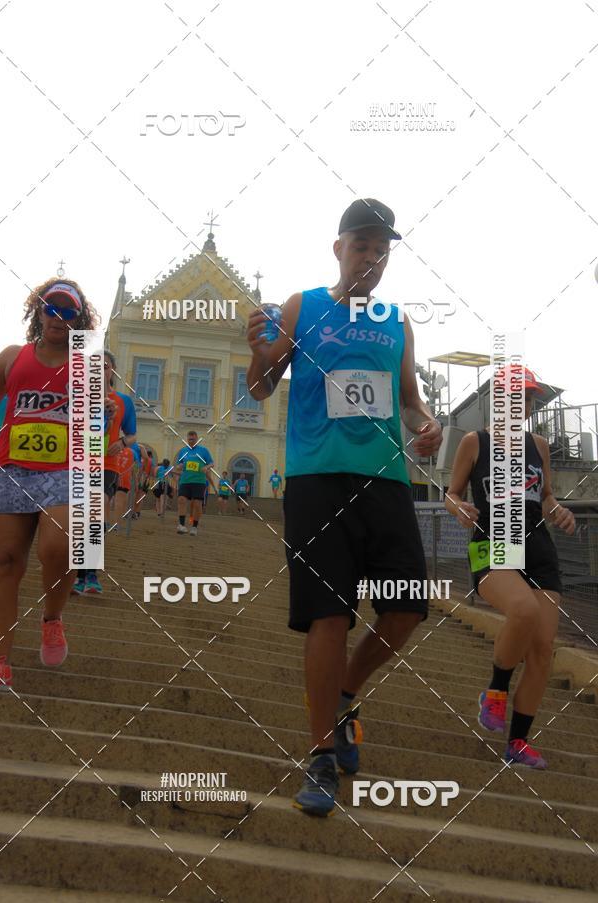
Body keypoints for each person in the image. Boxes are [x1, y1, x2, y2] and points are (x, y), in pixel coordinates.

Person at [246, 198, 442, 815]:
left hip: (385, 480)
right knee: (329, 616)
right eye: (362, 245)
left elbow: (409, 400)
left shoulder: (398, 321)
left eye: (382, 248)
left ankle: (346, 691)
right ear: (338, 248)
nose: (372, 257)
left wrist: (426, 422)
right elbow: (259, 387)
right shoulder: (303, 306)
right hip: (316, 479)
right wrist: (257, 350)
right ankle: (322, 755)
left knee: (407, 607)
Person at [445, 366, 575, 770]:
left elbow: (547, 496)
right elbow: (452, 493)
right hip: (494, 542)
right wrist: (459, 507)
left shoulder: (538, 444)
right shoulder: (474, 442)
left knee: (541, 650)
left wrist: (559, 512)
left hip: (538, 546)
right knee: (523, 610)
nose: (523, 404)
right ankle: (496, 690)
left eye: (529, 398)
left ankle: (517, 742)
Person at [0, 278, 99, 690]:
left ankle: (52, 618)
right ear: (38, 310)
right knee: (5, 562)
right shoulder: (11, 356)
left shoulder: (87, 360)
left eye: (67, 311)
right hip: (12, 468)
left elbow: (94, 422)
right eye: (51, 308)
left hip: (64, 469)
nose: (58, 317)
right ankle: (1, 657)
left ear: (78, 318)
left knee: (60, 550)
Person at [73, 350, 136, 594]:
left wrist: (121, 443)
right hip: (78, 463)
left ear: (113, 370)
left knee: (97, 513)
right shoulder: (78, 398)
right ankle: (80, 575)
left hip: (107, 464)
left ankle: (91, 574)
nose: (101, 370)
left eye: (106, 366)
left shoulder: (123, 401)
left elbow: (132, 434)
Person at [174, 431, 217, 535]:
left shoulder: (203, 450)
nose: (191, 441)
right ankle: (182, 525)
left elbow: (211, 463)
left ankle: (194, 527)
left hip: (199, 481)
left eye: (193, 439)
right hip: (185, 480)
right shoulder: (183, 451)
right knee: (181, 499)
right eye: (189, 439)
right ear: (187, 439)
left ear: (197, 439)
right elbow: (179, 464)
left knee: (197, 504)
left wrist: (206, 467)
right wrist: (179, 466)